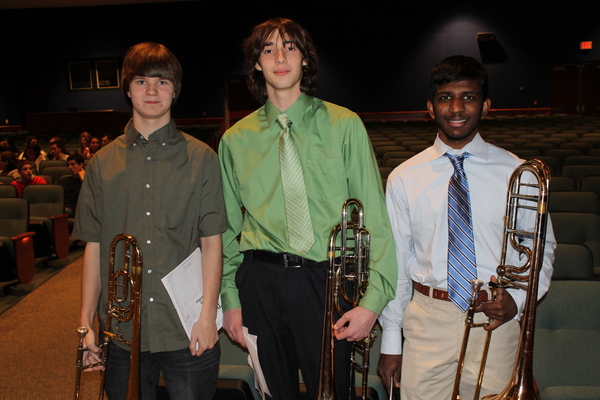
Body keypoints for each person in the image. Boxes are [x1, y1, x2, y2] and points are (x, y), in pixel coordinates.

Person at [219, 18, 397, 400]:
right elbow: (226, 231)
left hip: (327, 283)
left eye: (290, 47)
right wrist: (230, 301)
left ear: (305, 60)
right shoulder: (235, 140)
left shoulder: (344, 125)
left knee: (333, 394)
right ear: (256, 63)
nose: (279, 57)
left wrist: (373, 302)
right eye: (268, 49)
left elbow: (376, 223)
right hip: (260, 283)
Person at [378, 55, 556, 400]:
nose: (456, 107)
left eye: (469, 97)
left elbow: (542, 250)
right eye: (445, 97)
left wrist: (517, 301)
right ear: (431, 107)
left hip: (495, 318)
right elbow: (397, 263)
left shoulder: (520, 174)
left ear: (486, 106)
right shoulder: (403, 178)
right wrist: (391, 341)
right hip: (428, 318)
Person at [74, 42, 225, 400]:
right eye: (142, 81)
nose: (153, 91)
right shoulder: (100, 164)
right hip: (121, 329)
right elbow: (93, 251)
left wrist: (207, 317)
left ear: (175, 90)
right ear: (127, 90)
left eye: (162, 81)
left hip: (185, 326)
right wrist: (84, 324)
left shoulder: (202, 159)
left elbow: (212, 244)